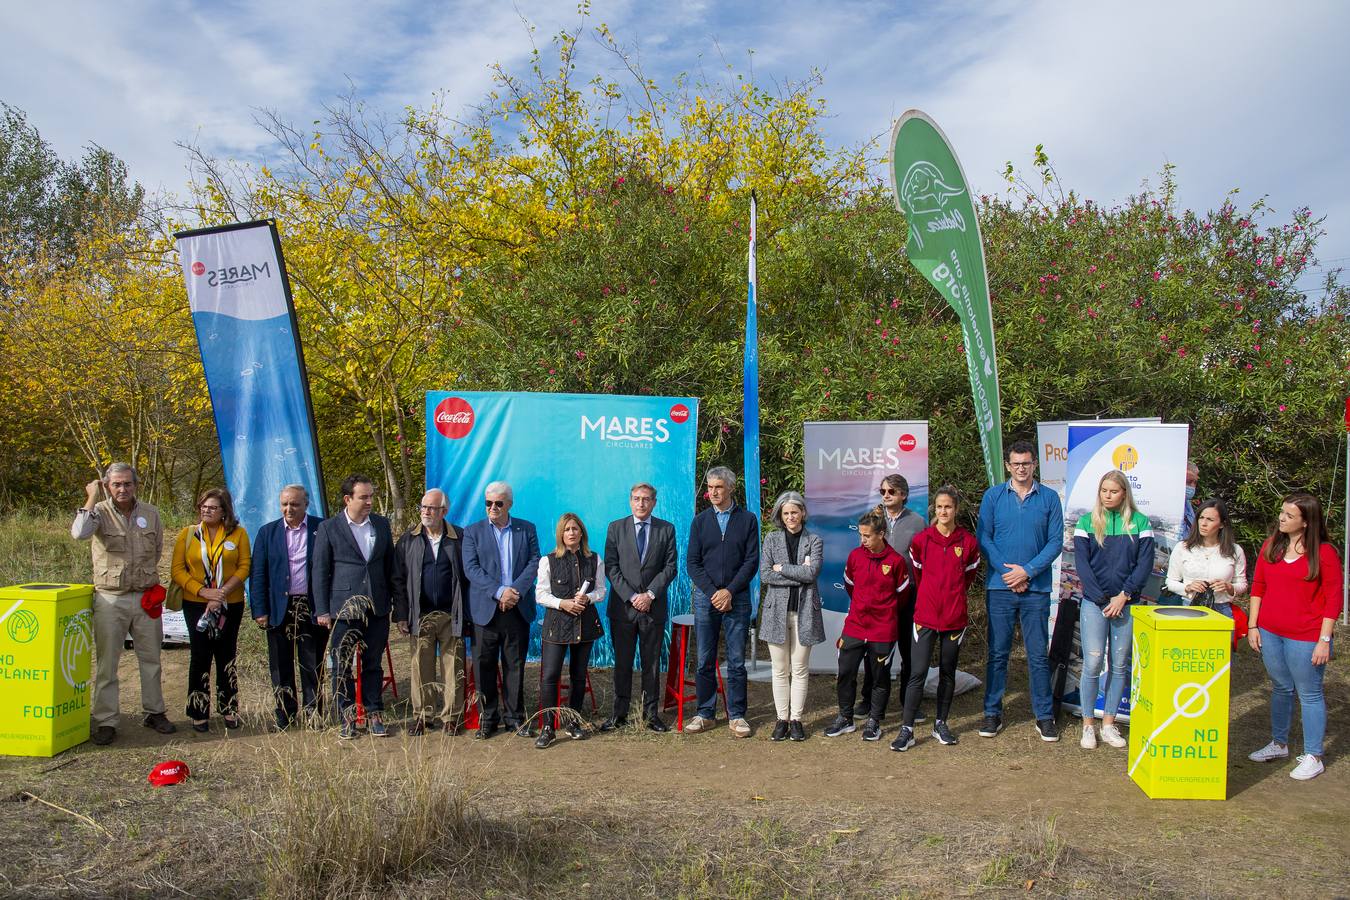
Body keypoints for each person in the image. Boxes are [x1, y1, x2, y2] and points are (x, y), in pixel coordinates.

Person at [71, 463, 176, 745]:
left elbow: (155, 552)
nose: (122, 489)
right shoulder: (98, 513)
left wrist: (141, 577)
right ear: (107, 485)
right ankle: (106, 721)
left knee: (151, 660)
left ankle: (154, 712)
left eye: (127, 483)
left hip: (144, 598)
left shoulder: (151, 513)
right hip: (109, 598)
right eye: (116, 484)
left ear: (135, 485)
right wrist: (91, 497)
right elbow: (79, 533)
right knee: (108, 664)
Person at [1247, 492, 1342, 781]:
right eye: (1281, 513)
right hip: (1270, 633)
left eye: (1289, 515)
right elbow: (1258, 586)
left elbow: (1333, 599)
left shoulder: (1324, 553)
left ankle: (1314, 755)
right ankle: (1279, 743)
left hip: (1306, 637)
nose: (1281, 518)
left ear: (1305, 522)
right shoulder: (1270, 547)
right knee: (1281, 687)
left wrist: (1324, 640)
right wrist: (1253, 626)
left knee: (1309, 693)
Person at [976, 439, 1064, 742]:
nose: (1021, 468)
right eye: (1016, 463)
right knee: (997, 653)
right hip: (1000, 587)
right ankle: (992, 713)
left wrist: (1027, 571)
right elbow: (984, 539)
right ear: (1008, 466)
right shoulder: (993, 496)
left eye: (1026, 463)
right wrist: (1008, 572)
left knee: (1038, 655)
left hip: (1036, 588)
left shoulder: (1050, 498)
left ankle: (1044, 715)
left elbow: (1055, 541)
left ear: (1034, 464)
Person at [893, 485, 981, 751]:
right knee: (917, 673)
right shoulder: (922, 540)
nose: (944, 511)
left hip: (954, 619)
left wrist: (951, 597)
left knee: (947, 674)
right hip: (925, 616)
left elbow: (967, 578)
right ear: (935, 509)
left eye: (949, 507)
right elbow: (918, 576)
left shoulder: (968, 542)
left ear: (956, 510)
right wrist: (932, 597)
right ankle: (907, 729)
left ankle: (941, 723)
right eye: (940, 507)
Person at [1072, 470, 1154, 751]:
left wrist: (1124, 596)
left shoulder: (1140, 523)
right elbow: (1082, 565)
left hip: (1126, 604)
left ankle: (1108, 724)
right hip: (1095, 604)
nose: (1108, 496)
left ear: (1124, 494)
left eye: (1113, 491)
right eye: (1103, 491)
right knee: (1093, 664)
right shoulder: (1086, 522)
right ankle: (1087, 726)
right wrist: (1101, 599)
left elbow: (1144, 565)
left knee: (1120, 665)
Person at [313, 474, 396, 739]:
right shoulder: (329, 527)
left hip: (377, 608)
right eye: (364, 497)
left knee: (373, 662)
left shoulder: (381, 525)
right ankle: (347, 716)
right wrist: (322, 610)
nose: (370, 501)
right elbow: (320, 571)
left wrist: (395, 603)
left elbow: (390, 567)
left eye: (371, 495)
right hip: (343, 609)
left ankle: (374, 712)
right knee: (341, 665)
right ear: (348, 499)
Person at [684, 466, 760, 737]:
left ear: (730, 488)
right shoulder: (700, 521)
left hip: (737, 599)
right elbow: (692, 563)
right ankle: (705, 713)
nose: (713, 492)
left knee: (737, 661)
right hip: (706, 599)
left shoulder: (748, 519)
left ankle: (737, 715)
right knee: (705, 659)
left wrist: (729, 591)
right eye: (710, 487)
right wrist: (713, 592)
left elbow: (752, 561)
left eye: (718, 487)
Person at [462, 481, 541, 739]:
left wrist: (514, 592)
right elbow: (472, 568)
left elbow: (533, 562)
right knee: (484, 666)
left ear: (509, 504)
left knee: (515, 665)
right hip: (486, 610)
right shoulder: (472, 532)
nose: (492, 508)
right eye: (488, 503)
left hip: (516, 609)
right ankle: (488, 718)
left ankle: (515, 718)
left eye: (498, 503)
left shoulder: (526, 529)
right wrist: (499, 592)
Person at [171, 487, 252, 733]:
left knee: (226, 655)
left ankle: (229, 708)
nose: (206, 511)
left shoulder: (238, 534)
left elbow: (245, 565)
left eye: (212, 507)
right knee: (200, 656)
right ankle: (198, 710)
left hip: (230, 602)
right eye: (203, 507)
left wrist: (222, 593)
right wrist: (203, 592)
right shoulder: (188, 534)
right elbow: (177, 570)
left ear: (224, 511)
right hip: (196, 603)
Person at [825, 509, 910, 741]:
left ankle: (874, 720)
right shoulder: (855, 556)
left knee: (879, 677)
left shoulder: (895, 562)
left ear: (881, 534)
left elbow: (901, 596)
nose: (862, 540)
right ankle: (845, 717)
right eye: (860, 535)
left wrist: (884, 612)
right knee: (845, 672)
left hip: (883, 629)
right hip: (855, 626)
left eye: (867, 536)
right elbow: (850, 585)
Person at [602, 483, 678, 732]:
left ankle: (650, 715)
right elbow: (611, 568)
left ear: (654, 502)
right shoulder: (616, 528)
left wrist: (650, 595)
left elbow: (670, 567)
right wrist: (632, 596)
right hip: (623, 609)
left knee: (652, 664)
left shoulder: (666, 529)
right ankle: (619, 714)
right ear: (630, 501)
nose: (641, 503)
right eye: (636, 498)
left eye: (646, 499)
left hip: (652, 609)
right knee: (622, 663)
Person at [392, 489, 469, 736]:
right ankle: (423, 717)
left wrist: (466, 612)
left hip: (451, 614)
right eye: (423, 507)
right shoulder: (408, 540)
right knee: (420, 667)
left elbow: (468, 578)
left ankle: (451, 717)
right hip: (420, 615)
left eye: (431, 508)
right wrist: (401, 615)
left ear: (444, 511)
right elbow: (398, 580)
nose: (425, 511)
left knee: (452, 667)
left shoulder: (460, 538)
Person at [249, 484, 326, 730]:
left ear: (306, 504)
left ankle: (314, 713)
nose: (289, 509)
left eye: (294, 504)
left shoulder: (322, 528)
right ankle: (285, 713)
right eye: (284, 504)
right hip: (278, 607)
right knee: (280, 665)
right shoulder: (267, 532)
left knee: (312, 664)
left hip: (311, 606)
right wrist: (260, 609)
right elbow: (258, 573)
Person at [534, 513, 606, 748]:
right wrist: (562, 603)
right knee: (550, 675)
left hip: (584, 624)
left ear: (582, 532)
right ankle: (547, 726)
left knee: (578, 674)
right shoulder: (549, 560)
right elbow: (541, 594)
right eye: (567, 529)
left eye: (575, 529)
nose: (571, 533)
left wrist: (588, 597)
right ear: (561, 534)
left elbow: (602, 591)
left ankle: (573, 721)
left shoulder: (594, 559)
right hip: (557, 624)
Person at [758, 490, 824, 742]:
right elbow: (766, 575)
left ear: (803, 513)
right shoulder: (771, 539)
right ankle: (781, 719)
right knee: (779, 669)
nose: (790, 517)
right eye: (786, 513)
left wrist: (782, 568)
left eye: (794, 512)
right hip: (777, 614)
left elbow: (812, 573)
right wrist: (798, 572)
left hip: (804, 614)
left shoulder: (815, 540)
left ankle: (796, 720)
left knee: (800, 669)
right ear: (780, 515)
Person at [861, 473, 927, 716]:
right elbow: (863, 553)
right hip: (878, 598)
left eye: (891, 491)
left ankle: (909, 704)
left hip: (908, 596)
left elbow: (922, 561)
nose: (886, 496)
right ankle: (868, 700)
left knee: (909, 652)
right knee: (875, 652)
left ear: (903, 495)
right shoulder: (873, 519)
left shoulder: (918, 522)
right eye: (883, 492)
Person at [1164, 498, 1248, 618]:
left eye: (1210, 520)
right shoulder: (1182, 547)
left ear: (1222, 524)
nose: (1203, 523)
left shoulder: (1235, 550)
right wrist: (1187, 587)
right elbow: (1170, 582)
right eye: (1201, 518)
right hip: (1189, 607)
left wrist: (1229, 587)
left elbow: (1242, 584)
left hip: (1221, 609)